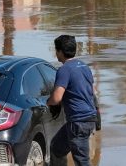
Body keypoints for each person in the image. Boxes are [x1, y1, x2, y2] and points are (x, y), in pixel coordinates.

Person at [48, 35, 97, 166]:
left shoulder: (64, 70)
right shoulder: (84, 66)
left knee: (82, 161)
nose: (56, 54)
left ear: (59, 52)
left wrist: (47, 101)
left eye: (56, 50)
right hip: (88, 119)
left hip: (78, 123)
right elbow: (93, 92)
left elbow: (57, 98)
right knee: (56, 148)